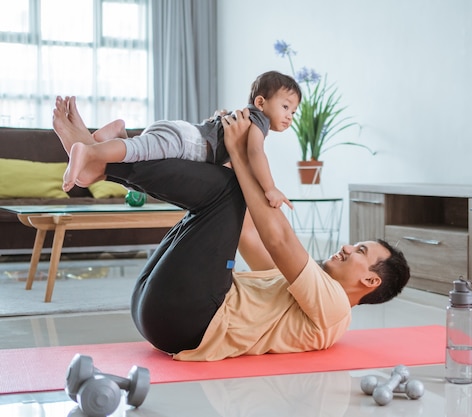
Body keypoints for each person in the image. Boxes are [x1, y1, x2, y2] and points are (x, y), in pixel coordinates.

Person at [51, 101, 411, 361]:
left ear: (370, 282)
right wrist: (222, 151)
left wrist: (240, 153)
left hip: (187, 320)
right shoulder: (300, 291)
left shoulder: (334, 308)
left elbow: (278, 237)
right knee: (221, 197)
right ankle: (101, 157)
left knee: (228, 191)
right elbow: (249, 232)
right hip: (160, 311)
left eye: (361, 252)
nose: (348, 247)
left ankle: (101, 161)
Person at [56, 70, 301, 208]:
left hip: (185, 136)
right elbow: (256, 154)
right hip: (187, 141)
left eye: (293, 112)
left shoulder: (246, 118)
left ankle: (115, 134)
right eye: (286, 107)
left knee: (139, 151)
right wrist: (271, 189)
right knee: (138, 149)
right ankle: (89, 152)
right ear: (261, 102)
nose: (289, 116)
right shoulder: (259, 121)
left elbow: (237, 161)